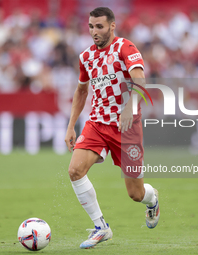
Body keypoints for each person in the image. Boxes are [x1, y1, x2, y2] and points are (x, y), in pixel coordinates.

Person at [64, 7, 160, 249]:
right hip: (96, 123)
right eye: (91, 27)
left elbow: (140, 80)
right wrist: (71, 125)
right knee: (75, 170)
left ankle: (152, 199)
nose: (94, 32)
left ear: (112, 26)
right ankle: (101, 227)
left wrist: (130, 106)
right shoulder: (85, 57)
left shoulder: (125, 48)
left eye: (99, 27)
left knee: (135, 194)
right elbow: (81, 91)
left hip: (126, 127)